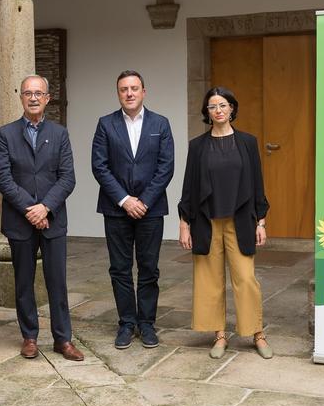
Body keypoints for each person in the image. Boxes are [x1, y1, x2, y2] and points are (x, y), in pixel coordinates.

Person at [0, 75, 83, 362]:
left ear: (47, 98)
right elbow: (3, 178)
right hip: (20, 221)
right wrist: (32, 209)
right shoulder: (5, 134)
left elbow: (68, 177)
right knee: (23, 282)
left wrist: (46, 208)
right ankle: (29, 337)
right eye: (28, 93)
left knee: (57, 282)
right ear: (21, 97)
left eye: (39, 93)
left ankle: (62, 339)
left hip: (53, 220)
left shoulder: (60, 134)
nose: (33, 98)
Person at [177, 86, 272, 360]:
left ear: (232, 108)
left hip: (240, 220)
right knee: (209, 281)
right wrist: (185, 225)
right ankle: (219, 335)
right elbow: (189, 188)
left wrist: (261, 222)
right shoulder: (197, 146)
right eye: (212, 107)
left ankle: (257, 333)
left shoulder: (247, 142)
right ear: (206, 112)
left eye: (222, 105)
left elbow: (257, 185)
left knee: (246, 279)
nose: (217, 111)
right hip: (206, 221)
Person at [91, 70, 174, 349]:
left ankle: (147, 324)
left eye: (134, 88)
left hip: (151, 210)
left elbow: (166, 167)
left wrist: (144, 201)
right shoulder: (105, 124)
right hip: (116, 210)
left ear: (143, 92)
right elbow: (99, 167)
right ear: (118, 93)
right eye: (124, 89)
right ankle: (127, 323)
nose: (129, 93)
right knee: (120, 269)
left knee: (149, 269)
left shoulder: (160, 124)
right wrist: (125, 200)